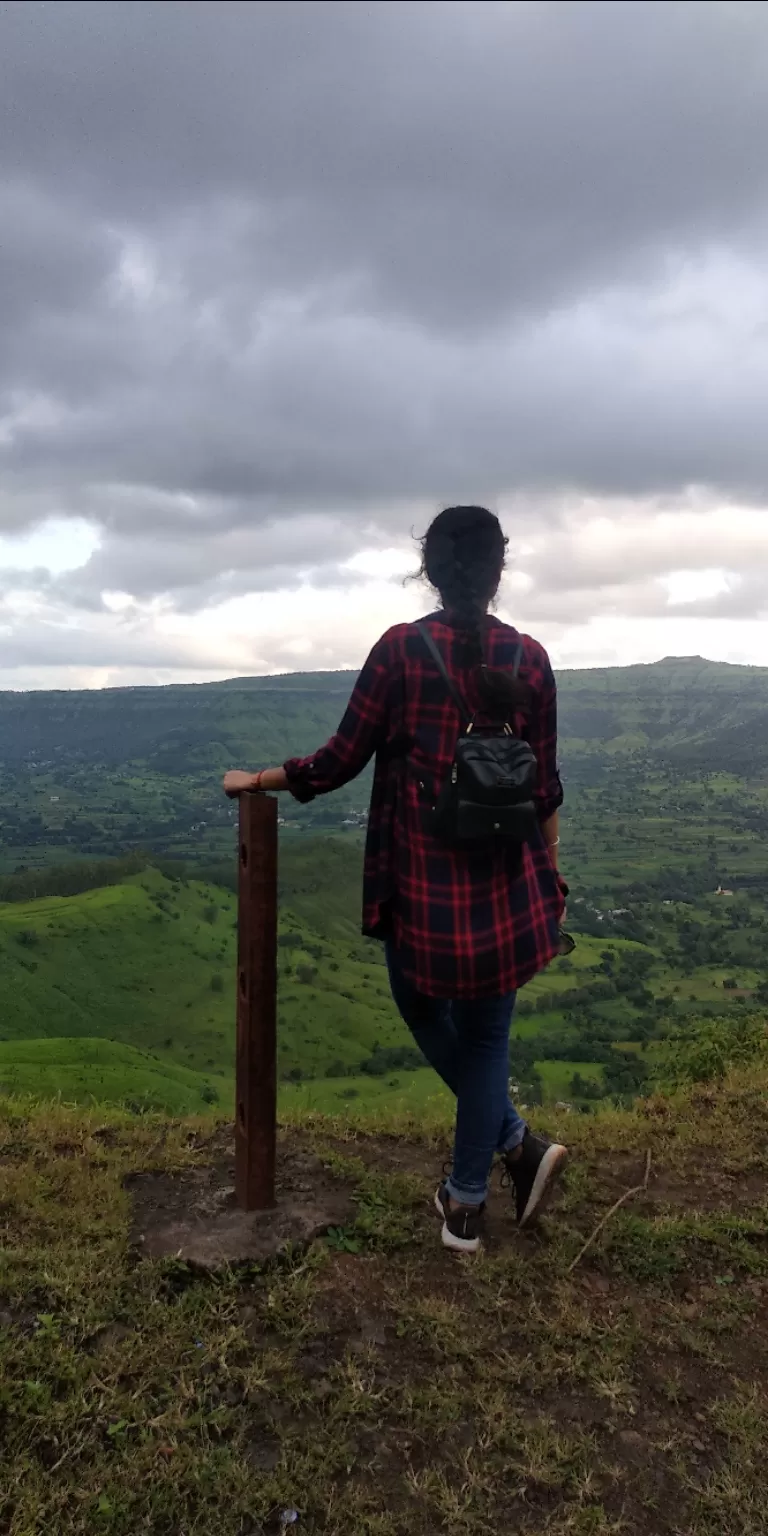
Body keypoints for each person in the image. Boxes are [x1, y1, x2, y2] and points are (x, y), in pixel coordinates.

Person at [223, 505, 569, 1254]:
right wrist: (553, 878)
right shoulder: (531, 659)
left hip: (424, 889)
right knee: (486, 1039)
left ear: (432, 570)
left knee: (423, 1008)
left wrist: (261, 778)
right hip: (510, 887)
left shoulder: (401, 652)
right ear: (499, 570)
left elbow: (340, 757)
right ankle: (507, 1153)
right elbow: (545, 791)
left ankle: (468, 1204)